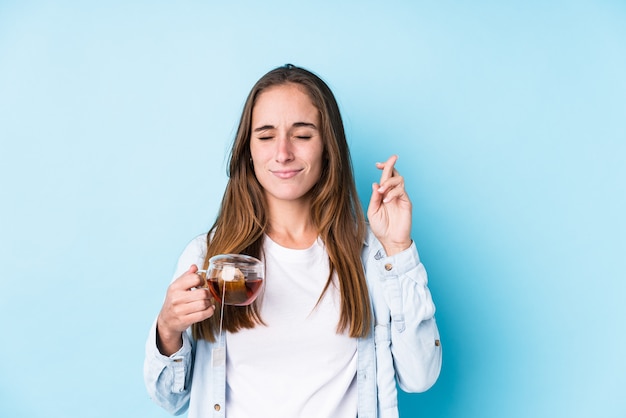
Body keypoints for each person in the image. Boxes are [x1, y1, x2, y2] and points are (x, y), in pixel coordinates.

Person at [144, 64, 442, 418]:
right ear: (248, 150)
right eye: (266, 136)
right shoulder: (209, 258)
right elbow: (169, 399)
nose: (282, 152)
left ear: (327, 147)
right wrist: (168, 329)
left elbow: (420, 377)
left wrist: (398, 248)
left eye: (302, 135)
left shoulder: (369, 255)